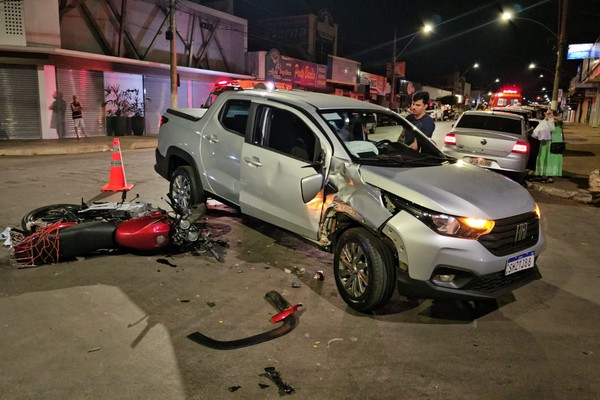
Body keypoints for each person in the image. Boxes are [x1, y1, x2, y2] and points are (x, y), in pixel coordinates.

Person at [534, 109, 563, 183]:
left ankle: (550, 176)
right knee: (542, 157)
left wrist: (553, 117)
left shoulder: (557, 121)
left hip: (554, 143)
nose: (547, 114)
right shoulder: (545, 120)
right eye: (547, 113)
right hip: (545, 142)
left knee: (552, 159)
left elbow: (561, 120)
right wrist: (546, 119)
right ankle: (539, 174)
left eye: (549, 113)